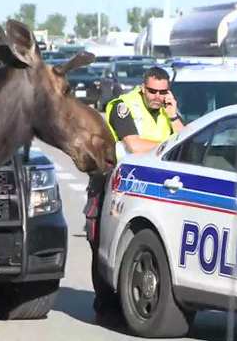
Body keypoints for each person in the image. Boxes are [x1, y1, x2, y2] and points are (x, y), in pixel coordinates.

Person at [83, 66, 184, 320]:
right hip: (112, 183)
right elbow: (135, 145)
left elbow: (187, 141)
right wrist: (171, 146)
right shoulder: (123, 106)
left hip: (150, 188)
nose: (157, 97)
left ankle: (126, 302)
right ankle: (105, 306)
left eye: (163, 92)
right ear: (142, 87)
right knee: (103, 245)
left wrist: (173, 116)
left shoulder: (165, 113)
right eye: (152, 91)